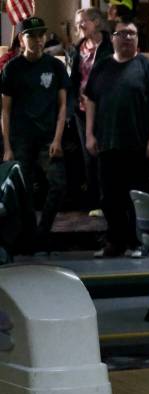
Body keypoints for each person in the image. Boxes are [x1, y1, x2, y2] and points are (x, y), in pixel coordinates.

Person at [84, 18, 149, 258]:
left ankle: (138, 243)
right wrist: (89, 134)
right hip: (107, 142)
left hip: (138, 144)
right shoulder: (102, 66)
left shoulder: (146, 67)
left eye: (131, 34)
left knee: (136, 197)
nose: (127, 38)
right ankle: (116, 242)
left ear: (137, 39)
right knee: (109, 198)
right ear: (113, 39)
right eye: (122, 34)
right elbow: (90, 100)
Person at [0, 17, 67, 252]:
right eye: (32, 35)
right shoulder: (12, 69)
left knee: (58, 183)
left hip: (48, 137)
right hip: (21, 138)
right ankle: (28, 238)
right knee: (23, 190)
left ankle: (43, 231)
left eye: (41, 35)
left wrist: (58, 138)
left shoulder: (55, 66)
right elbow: (5, 111)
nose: (38, 40)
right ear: (22, 39)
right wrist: (7, 146)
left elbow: (62, 107)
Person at [67, 8, 112, 214]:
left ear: (95, 22)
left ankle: (108, 202)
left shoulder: (110, 45)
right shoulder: (78, 48)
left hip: (105, 109)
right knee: (88, 155)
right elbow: (74, 80)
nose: (79, 26)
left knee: (105, 155)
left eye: (83, 22)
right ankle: (94, 201)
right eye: (77, 23)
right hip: (82, 110)